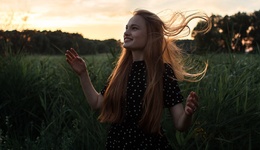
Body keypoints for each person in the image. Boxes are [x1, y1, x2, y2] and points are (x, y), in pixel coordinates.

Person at [65, 9, 211, 149]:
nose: (126, 33)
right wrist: (83, 74)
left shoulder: (163, 72)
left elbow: (180, 125)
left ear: (151, 35)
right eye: (126, 28)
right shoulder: (121, 72)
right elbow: (97, 103)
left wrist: (188, 113)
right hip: (116, 145)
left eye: (134, 28)